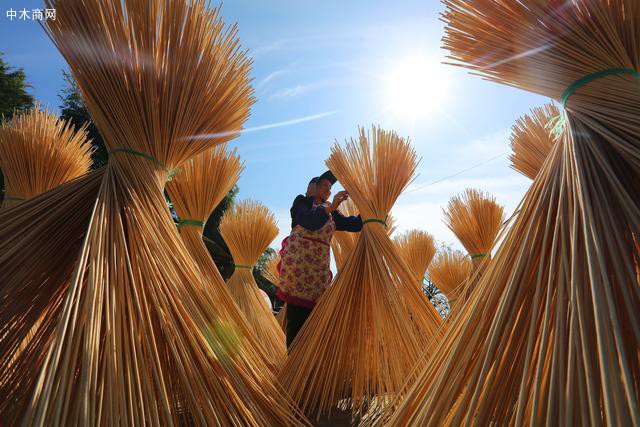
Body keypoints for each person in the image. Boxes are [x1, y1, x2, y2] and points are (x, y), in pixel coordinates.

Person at [277, 170, 362, 348]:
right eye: (324, 185)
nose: (328, 189)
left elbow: (352, 224)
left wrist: (368, 208)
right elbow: (310, 222)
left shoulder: (331, 212)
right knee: (296, 320)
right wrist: (331, 207)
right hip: (299, 269)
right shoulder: (302, 202)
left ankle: (306, 364)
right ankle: (293, 366)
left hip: (318, 273)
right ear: (311, 188)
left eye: (330, 187)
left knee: (312, 322)